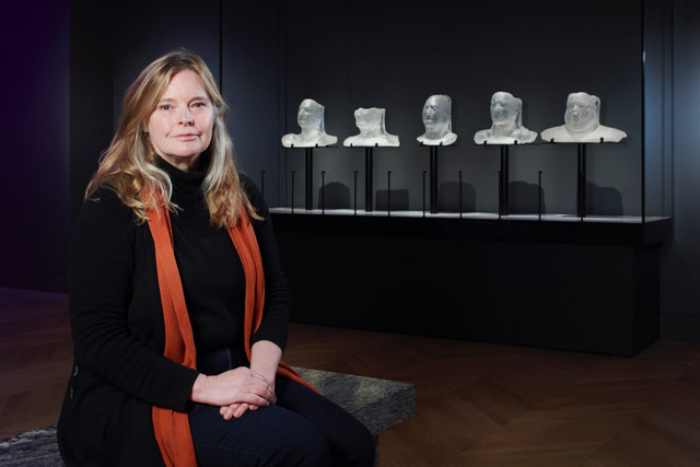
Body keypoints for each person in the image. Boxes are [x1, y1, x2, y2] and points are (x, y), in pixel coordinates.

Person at [57, 49, 375, 467]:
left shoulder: (239, 194)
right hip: (139, 394)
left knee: (354, 444)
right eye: (166, 107)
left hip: (239, 369)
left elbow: (276, 294)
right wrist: (208, 386)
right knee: (299, 448)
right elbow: (98, 341)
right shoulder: (112, 205)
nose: (184, 118)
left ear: (214, 116)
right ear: (143, 122)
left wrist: (256, 382)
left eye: (197, 105)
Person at [540, 92, 627, 143]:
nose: (574, 111)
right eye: (570, 106)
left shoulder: (612, 134)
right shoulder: (550, 133)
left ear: (594, 107)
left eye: (581, 106)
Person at [473, 91, 537, 145]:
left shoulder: (524, 136)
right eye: (493, 105)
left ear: (515, 110)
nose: (496, 109)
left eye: (503, 105)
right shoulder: (481, 136)